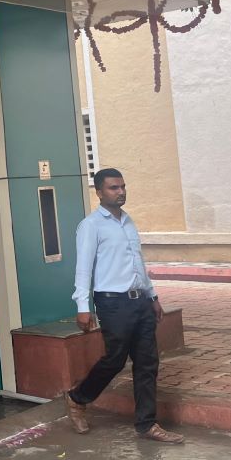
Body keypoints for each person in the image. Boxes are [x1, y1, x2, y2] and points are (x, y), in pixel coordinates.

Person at [64, 168, 184, 444]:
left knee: (147, 362)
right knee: (116, 359)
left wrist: (152, 296)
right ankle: (77, 398)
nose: (120, 192)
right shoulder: (91, 226)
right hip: (112, 302)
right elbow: (83, 269)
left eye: (122, 187)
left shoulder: (128, 222)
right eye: (113, 188)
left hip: (140, 300)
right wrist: (82, 306)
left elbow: (138, 264)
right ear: (99, 192)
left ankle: (147, 424)